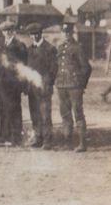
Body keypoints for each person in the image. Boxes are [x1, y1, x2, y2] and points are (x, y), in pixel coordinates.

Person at [55, 16, 92, 152]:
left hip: (75, 86)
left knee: (78, 113)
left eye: (68, 33)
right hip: (62, 85)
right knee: (65, 114)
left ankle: (82, 144)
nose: (66, 35)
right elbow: (56, 66)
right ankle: (67, 142)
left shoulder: (77, 48)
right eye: (64, 32)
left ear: (72, 33)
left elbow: (87, 68)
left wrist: (82, 84)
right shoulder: (60, 48)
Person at [25, 22, 58, 150]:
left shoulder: (49, 49)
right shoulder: (29, 49)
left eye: (35, 34)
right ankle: (38, 137)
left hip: (44, 87)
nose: (33, 37)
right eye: (31, 35)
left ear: (40, 34)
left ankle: (47, 140)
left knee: (45, 114)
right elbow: (27, 68)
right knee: (34, 114)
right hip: (32, 88)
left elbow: (53, 69)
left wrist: (46, 82)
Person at [0, 20, 28, 145]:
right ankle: (6, 135)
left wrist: (21, 83)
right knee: (4, 109)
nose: (6, 33)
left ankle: (16, 136)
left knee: (14, 108)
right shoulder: (2, 45)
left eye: (8, 31)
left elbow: (22, 65)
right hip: (3, 82)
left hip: (13, 83)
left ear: (12, 31)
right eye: (4, 31)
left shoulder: (19, 46)